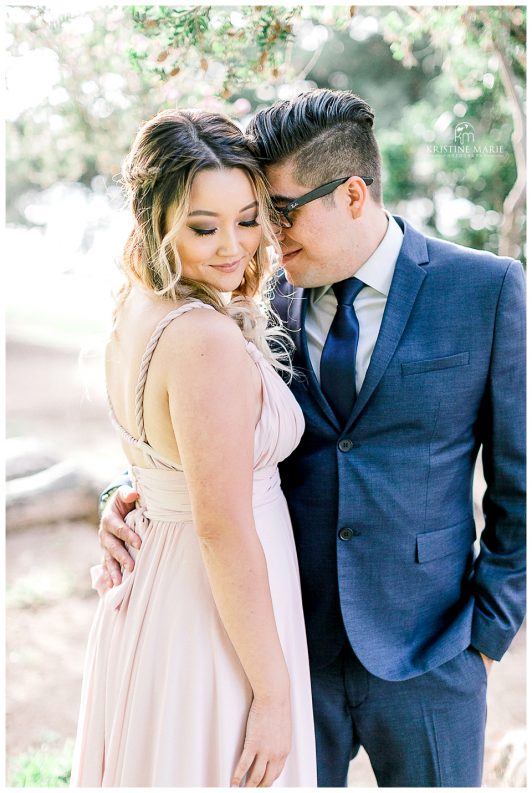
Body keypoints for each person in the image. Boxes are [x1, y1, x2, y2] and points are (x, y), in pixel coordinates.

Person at [99, 90, 526, 787]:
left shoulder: (487, 289)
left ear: (352, 194)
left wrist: (486, 636)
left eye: (279, 212)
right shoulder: (250, 297)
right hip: (284, 644)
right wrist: (129, 491)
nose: (260, 237)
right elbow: (197, 431)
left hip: (432, 656)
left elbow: (522, 483)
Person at [70, 108, 317, 787]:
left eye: (247, 218)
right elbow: (223, 526)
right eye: (204, 228)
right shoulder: (203, 338)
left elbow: (164, 457)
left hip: (164, 589)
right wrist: (272, 692)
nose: (235, 247)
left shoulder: (138, 309)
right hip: (216, 618)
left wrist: (126, 493)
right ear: (155, 220)